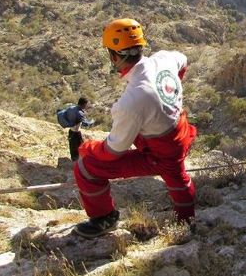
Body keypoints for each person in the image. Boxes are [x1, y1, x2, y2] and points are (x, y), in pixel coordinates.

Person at [73, 18, 197, 238]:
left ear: (113, 56)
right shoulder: (164, 59)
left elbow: (113, 150)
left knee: (86, 167)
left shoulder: (132, 101)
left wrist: (88, 148)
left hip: (161, 154)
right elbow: (183, 60)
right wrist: (169, 93)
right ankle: (187, 221)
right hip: (181, 133)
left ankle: (105, 217)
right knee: (177, 176)